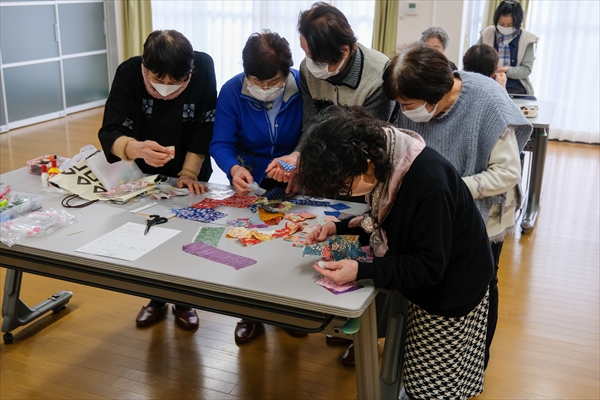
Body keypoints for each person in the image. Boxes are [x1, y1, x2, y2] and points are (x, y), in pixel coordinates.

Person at [298, 106, 494, 399]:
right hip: (438, 277)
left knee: (433, 384)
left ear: (365, 162)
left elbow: (428, 267)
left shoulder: (427, 184)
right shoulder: (388, 157)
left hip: (453, 288)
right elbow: (388, 223)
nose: (345, 194)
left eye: (344, 186)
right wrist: (337, 229)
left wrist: (361, 271)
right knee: (427, 368)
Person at [383, 42, 532, 368]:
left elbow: (507, 173)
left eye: (407, 104)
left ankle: (475, 362)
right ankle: (423, 358)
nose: (403, 111)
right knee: (431, 279)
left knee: (479, 285)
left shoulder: (488, 102)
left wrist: (450, 190)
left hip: (483, 218)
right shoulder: (411, 102)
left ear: (434, 95)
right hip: (432, 212)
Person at [98, 30, 217, 331]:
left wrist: (189, 173)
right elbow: (110, 130)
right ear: (146, 66)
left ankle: (184, 300)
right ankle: (155, 298)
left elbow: (205, 125)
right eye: (158, 78)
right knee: (147, 234)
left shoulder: (203, 66)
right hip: (143, 173)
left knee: (186, 234)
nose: (166, 86)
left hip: (191, 171)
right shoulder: (128, 72)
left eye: (174, 81)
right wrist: (135, 148)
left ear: (188, 70)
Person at [209, 31, 306, 344]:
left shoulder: (303, 87)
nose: (264, 88)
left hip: (295, 179)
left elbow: (312, 135)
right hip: (250, 184)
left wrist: (299, 167)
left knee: (291, 246)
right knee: (249, 246)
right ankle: (249, 312)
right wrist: (234, 168)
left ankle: (289, 309)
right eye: (257, 81)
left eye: (273, 81)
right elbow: (221, 143)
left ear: (286, 72)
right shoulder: (231, 92)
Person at [267, 1, 394, 185]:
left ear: (344, 51)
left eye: (316, 58)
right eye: (305, 52)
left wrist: (307, 164)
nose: (308, 62)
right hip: (326, 168)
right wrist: (298, 155)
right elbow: (311, 123)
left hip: (366, 172)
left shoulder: (378, 76)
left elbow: (366, 142)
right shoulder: (307, 69)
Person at [478, 0, 538, 95]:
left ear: (518, 23)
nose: (505, 27)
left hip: (516, 90)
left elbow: (526, 69)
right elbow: (475, 59)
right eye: (501, 24)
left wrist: (508, 70)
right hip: (487, 87)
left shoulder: (527, 39)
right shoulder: (486, 34)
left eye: (510, 25)